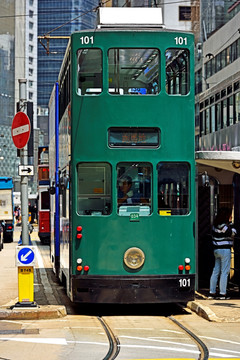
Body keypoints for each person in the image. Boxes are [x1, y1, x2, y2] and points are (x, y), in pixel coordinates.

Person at [208, 207, 237, 300]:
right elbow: (232, 233)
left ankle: (212, 292)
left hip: (216, 250)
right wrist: (232, 226)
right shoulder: (224, 226)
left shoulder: (215, 226)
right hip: (225, 250)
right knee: (224, 272)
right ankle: (222, 293)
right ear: (226, 216)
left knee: (216, 271)